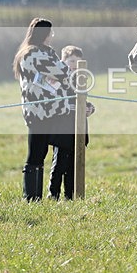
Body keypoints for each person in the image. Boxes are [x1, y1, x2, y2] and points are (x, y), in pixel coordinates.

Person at [13, 18, 74, 201]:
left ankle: (38, 196)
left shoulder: (40, 53)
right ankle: (31, 197)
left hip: (49, 110)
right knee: (37, 153)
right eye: (50, 32)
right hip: (40, 111)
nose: (52, 36)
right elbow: (63, 72)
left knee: (45, 151)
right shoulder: (34, 54)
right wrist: (65, 71)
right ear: (45, 34)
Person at [45, 45, 96, 200]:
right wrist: (77, 108)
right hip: (62, 128)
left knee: (74, 164)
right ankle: (53, 194)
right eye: (72, 61)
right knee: (59, 163)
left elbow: (82, 101)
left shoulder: (81, 80)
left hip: (78, 128)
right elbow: (57, 101)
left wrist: (89, 108)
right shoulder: (57, 79)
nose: (75, 65)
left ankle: (70, 196)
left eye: (78, 62)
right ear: (63, 61)